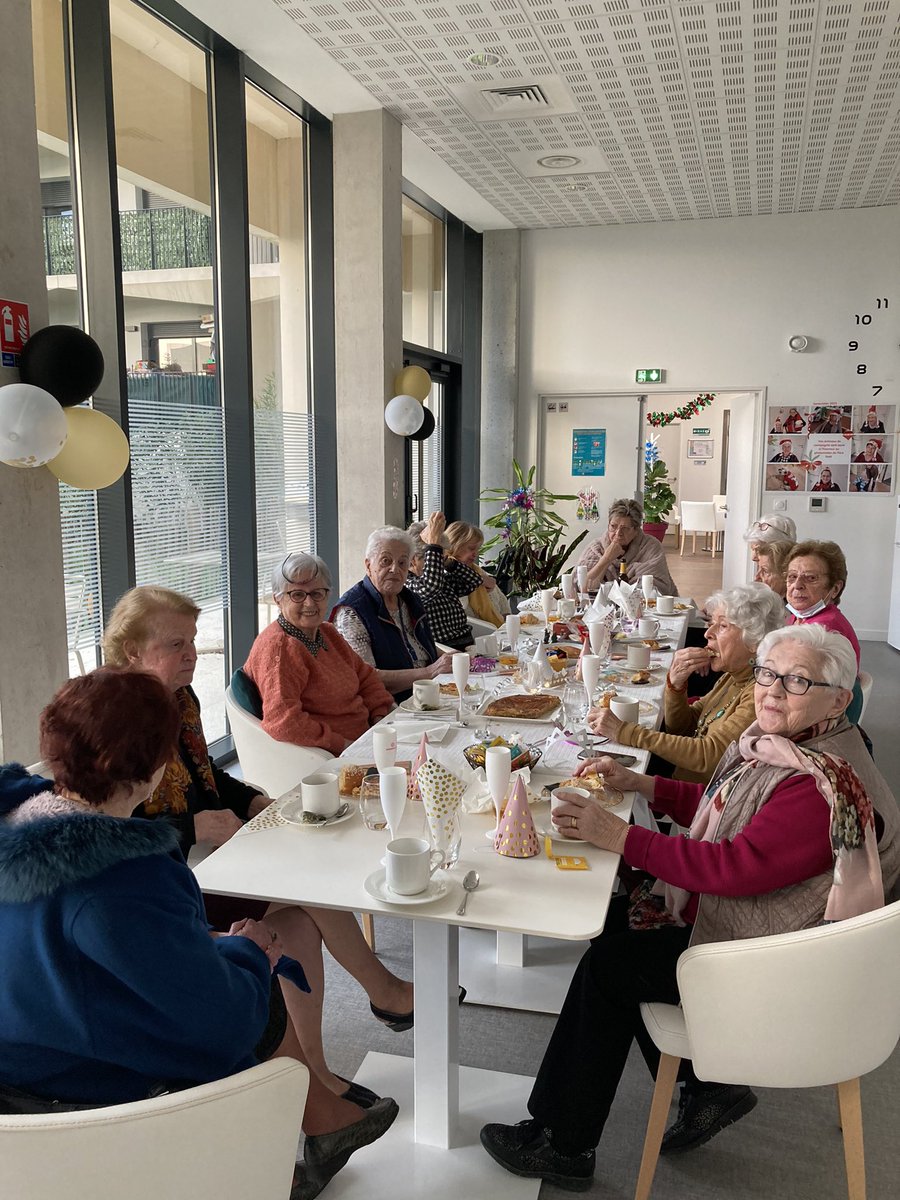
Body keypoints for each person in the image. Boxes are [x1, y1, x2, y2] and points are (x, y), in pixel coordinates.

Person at [480, 626, 899, 1191]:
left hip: (783, 966)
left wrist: (619, 836)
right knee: (626, 927)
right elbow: (732, 805)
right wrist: (642, 784)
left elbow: (730, 865)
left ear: (838, 697)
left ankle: (563, 1143)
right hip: (784, 938)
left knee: (610, 965)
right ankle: (709, 1088)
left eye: (798, 681)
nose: (773, 692)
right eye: (767, 674)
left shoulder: (821, 787)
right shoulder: (798, 747)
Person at [0, 669, 398, 1200]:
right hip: (74, 1088)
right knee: (255, 991)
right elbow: (221, 1024)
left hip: (24, 1051)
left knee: (233, 959)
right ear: (155, 768)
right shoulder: (123, 878)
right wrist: (248, 951)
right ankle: (281, 1152)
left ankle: (314, 1130)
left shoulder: (19, 822)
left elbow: (70, 951)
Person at [103, 585, 415, 1106]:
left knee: (294, 920)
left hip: (184, 877)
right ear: (132, 651)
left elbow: (207, 780)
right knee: (302, 886)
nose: (191, 655)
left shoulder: (179, 699)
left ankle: (315, 1075)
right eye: (176, 644)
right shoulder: (113, 717)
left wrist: (251, 799)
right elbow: (111, 828)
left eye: (193, 641)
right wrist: (193, 829)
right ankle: (383, 996)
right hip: (158, 896)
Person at [588, 584, 785, 784]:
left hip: (695, 801)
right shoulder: (733, 676)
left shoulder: (761, 693)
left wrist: (624, 731)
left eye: (723, 626)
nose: (708, 633)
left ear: (755, 641)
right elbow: (683, 729)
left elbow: (710, 756)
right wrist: (676, 685)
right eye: (711, 623)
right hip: (677, 779)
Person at [244, 554, 394, 752]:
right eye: (297, 594)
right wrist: (344, 746)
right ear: (278, 599)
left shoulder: (327, 632)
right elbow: (284, 721)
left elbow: (366, 677)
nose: (309, 603)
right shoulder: (280, 649)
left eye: (317, 593)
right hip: (330, 759)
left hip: (367, 740)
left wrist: (379, 717)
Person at [330, 527, 453, 701]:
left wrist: (453, 657)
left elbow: (417, 645)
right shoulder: (352, 612)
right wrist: (430, 672)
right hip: (390, 707)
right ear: (368, 565)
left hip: (430, 692)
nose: (394, 569)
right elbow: (366, 677)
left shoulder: (409, 600)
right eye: (385, 561)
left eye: (402, 563)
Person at [405, 511, 483, 650]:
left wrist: (448, 562)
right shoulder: (408, 584)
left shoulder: (440, 578)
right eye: (431, 558)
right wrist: (433, 545)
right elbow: (430, 589)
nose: (439, 564)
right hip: (443, 652)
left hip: (468, 646)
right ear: (412, 560)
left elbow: (474, 581)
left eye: (442, 558)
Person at [577, 498, 677, 596]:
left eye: (624, 528)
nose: (618, 533)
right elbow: (581, 588)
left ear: (636, 531)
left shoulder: (650, 546)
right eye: (613, 526)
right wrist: (606, 559)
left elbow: (656, 590)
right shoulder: (596, 548)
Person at [443, 519, 510, 628]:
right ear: (455, 545)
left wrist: (508, 618)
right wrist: (481, 581)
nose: (475, 554)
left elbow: (501, 599)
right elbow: (463, 609)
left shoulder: (475, 569)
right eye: (471, 548)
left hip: (499, 626)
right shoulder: (448, 575)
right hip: (480, 632)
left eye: (477, 549)